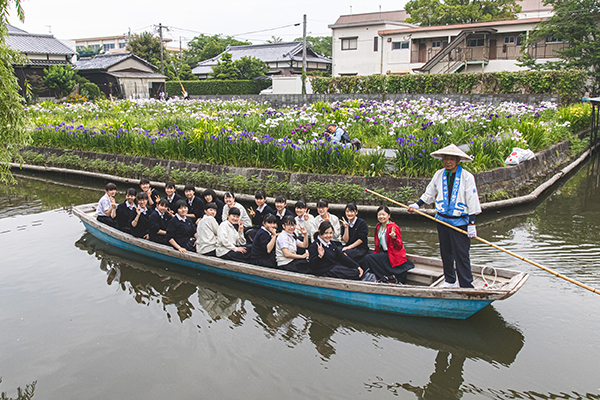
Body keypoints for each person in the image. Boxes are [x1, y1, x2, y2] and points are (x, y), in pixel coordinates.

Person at [408, 144, 482, 288]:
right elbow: (430, 192)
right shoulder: (439, 174)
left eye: (451, 159)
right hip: (442, 219)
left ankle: (466, 283)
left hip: (459, 221)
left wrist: (472, 223)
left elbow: (472, 199)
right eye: (445, 159)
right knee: (445, 252)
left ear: (458, 160)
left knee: (461, 254)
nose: (448, 162)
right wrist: (417, 205)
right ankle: (450, 280)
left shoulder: (467, 177)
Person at [362, 206, 414, 284]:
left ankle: (382, 277)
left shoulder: (393, 227)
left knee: (368, 258)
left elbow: (399, 246)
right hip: (385, 253)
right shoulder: (378, 226)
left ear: (388, 215)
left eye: (383, 215)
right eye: (379, 215)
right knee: (370, 258)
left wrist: (394, 237)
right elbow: (377, 244)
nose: (381, 217)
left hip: (393, 254)